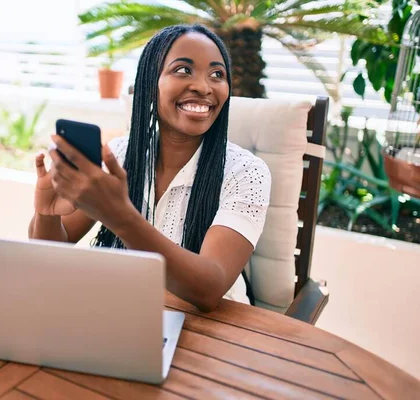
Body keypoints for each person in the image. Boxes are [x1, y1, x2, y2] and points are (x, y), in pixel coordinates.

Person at [28, 24, 271, 312]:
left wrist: (121, 217)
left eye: (217, 74)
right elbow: (53, 249)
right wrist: (46, 214)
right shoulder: (118, 157)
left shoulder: (245, 172)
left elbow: (210, 288)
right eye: (183, 70)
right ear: (149, 84)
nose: (204, 87)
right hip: (124, 310)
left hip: (214, 330)